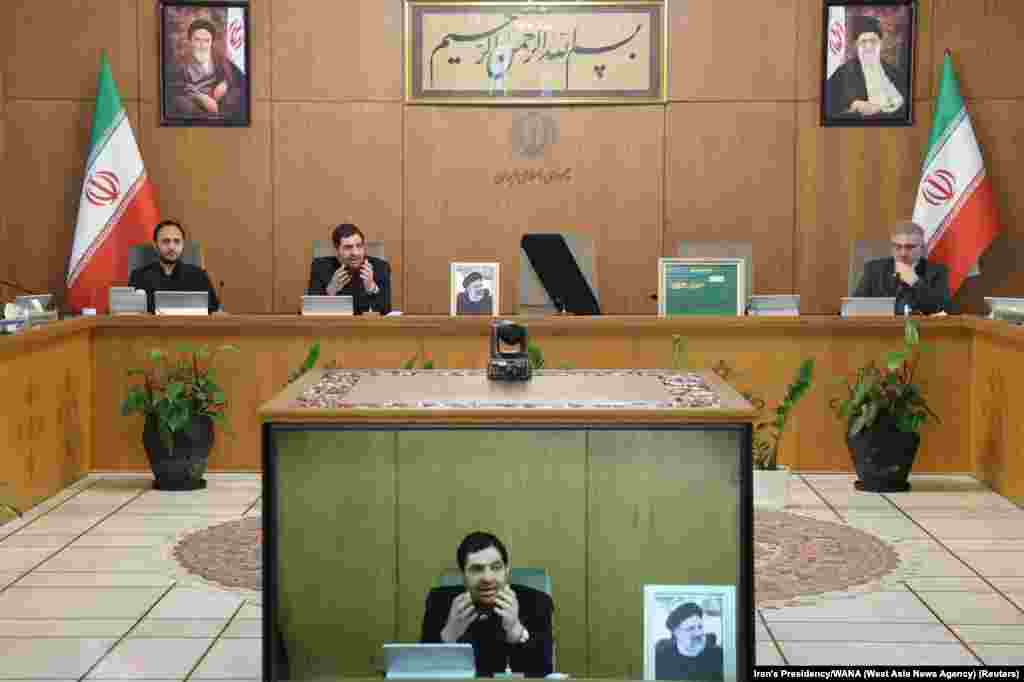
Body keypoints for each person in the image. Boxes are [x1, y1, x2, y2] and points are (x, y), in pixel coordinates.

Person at [420, 531, 554, 678]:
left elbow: (544, 673)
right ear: (463, 575)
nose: (487, 578)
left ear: (507, 570)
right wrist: (449, 634)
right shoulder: (439, 603)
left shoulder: (537, 603)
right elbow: (423, 674)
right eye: (477, 569)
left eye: (496, 567)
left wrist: (516, 631)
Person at [853, 220, 951, 315]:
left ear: (922, 248)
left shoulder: (938, 272)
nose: (903, 253)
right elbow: (854, 307)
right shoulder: (873, 269)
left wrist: (915, 282)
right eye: (898, 247)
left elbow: (941, 309)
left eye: (910, 247)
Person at [825, 14, 909, 120]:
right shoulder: (843, 73)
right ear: (856, 45)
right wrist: (853, 106)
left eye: (873, 41)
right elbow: (828, 108)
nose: (868, 47)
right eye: (863, 42)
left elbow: (906, 109)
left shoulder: (894, 73)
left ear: (881, 44)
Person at [128, 220, 219, 314]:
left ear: (183, 244)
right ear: (155, 245)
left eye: (177, 241)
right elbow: (131, 316)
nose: (171, 247)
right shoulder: (138, 277)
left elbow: (214, 313)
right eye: (166, 241)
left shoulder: (199, 276)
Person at [168, 18, 246, 120]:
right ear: (190, 41)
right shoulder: (179, 66)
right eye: (197, 40)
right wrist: (201, 97)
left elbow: (241, 80)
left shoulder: (221, 60)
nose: (202, 45)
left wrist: (226, 84)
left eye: (206, 41)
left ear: (211, 42)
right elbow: (177, 92)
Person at [307, 223, 391, 315]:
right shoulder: (320, 267)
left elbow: (386, 312)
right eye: (348, 247)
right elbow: (310, 311)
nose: (355, 253)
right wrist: (330, 290)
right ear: (336, 249)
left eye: (359, 246)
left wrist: (371, 288)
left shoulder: (380, 267)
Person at [655, 602, 724, 681]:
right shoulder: (662, 658)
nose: (699, 633)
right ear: (676, 633)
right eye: (690, 629)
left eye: (700, 627)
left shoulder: (717, 655)